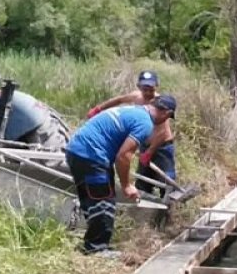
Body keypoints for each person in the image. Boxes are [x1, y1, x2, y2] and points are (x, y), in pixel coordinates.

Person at [66, 94, 178, 255]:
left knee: (91, 198)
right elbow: (123, 156)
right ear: (166, 113)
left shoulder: (133, 110)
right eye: (168, 117)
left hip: (76, 150)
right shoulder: (145, 123)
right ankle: (96, 248)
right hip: (92, 155)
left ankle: (91, 242)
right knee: (103, 201)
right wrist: (127, 185)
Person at [86, 71, 178, 200]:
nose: (148, 93)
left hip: (161, 147)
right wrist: (98, 109)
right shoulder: (136, 97)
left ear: (156, 86)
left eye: (151, 89)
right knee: (143, 178)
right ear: (139, 87)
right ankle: (145, 206)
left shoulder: (161, 104)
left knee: (166, 179)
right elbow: (118, 100)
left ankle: (168, 206)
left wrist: (150, 152)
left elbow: (162, 133)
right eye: (144, 89)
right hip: (145, 145)